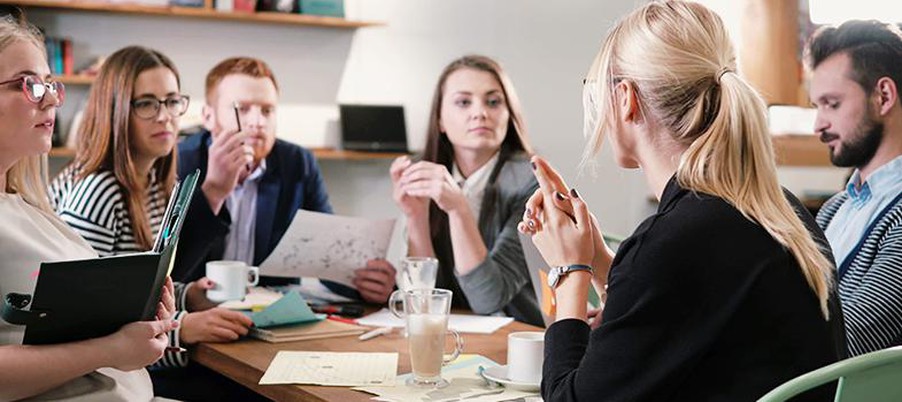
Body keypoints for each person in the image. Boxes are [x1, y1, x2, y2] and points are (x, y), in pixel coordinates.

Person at [518, 2, 845, 400]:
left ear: (626, 98)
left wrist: (569, 271)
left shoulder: (680, 238)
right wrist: (601, 260)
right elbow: (680, 308)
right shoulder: (777, 209)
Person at [0, 15, 176, 401]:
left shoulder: (29, 207)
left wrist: (145, 317)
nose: (50, 99)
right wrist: (113, 349)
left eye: (49, 84)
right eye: (27, 84)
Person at [49, 45, 255, 373]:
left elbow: (132, 295)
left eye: (172, 101)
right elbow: (82, 325)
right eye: (146, 103)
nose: (165, 116)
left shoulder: (158, 186)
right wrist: (182, 328)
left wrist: (188, 296)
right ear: (115, 111)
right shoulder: (100, 191)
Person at [174, 56, 396, 305]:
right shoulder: (178, 163)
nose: (258, 122)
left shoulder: (297, 163)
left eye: (267, 110)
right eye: (243, 109)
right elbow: (169, 269)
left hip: (269, 315)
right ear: (208, 116)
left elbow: (329, 257)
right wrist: (213, 190)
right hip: (197, 314)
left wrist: (366, 284)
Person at [391, 55, 542, 326]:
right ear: (440, 120)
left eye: (493, 102)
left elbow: (488, 299)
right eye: (463, 102)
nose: (480, 112)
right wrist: (416, 217)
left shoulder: (531, 182)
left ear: (509, 114)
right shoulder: (424, 170)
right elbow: (423, 300)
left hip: (518, 337)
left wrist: (458, 209)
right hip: (453, 333)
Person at [806, 20, 902, 357]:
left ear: (884, 96)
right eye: (816, 106)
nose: (818, 124)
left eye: (832, 104)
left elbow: (847, 342)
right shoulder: (836, 208)